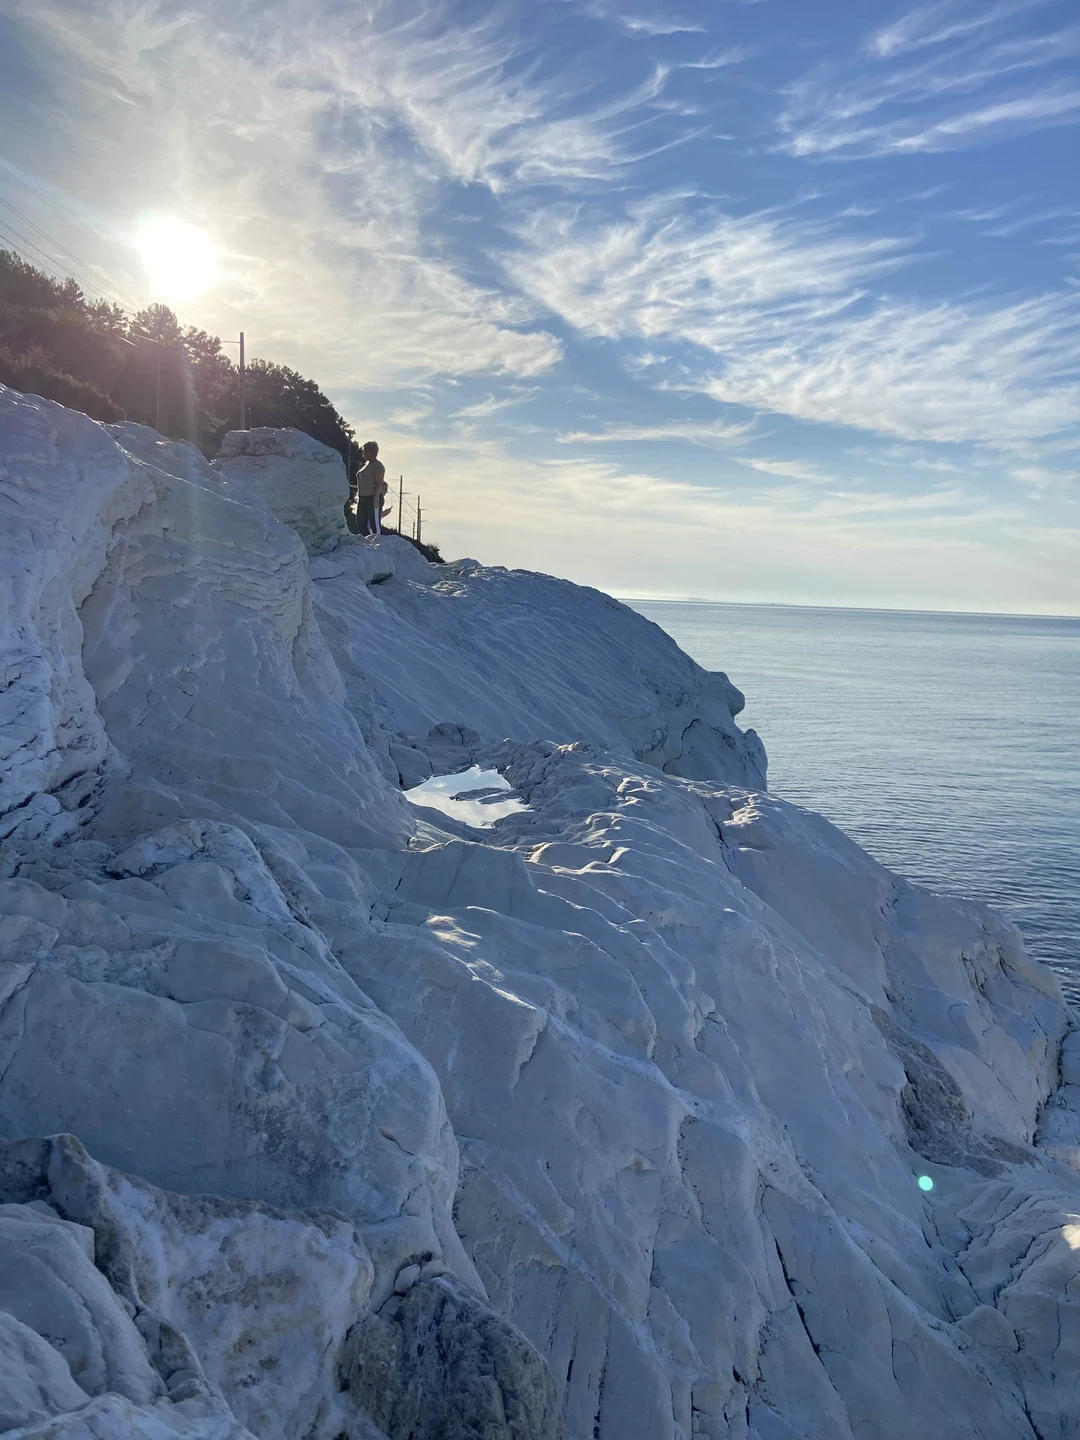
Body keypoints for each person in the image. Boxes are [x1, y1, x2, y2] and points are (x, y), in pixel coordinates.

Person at [349, 440, 385, 538]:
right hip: (363, 497)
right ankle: (368, 539)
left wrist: (376, 498)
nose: (364, 453)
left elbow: (379, 483)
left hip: (372, 497)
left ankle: (377, 539)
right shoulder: (367, 465)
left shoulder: (378, 465)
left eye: (365, 451)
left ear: (371, 451)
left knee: (374, 522)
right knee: (360, 522)